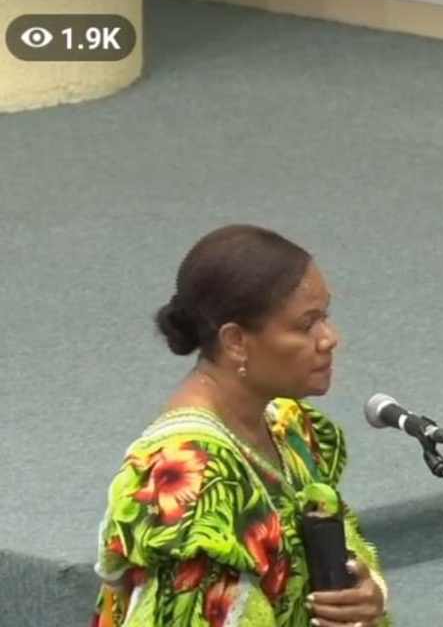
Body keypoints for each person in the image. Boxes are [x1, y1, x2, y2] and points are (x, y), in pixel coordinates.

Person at [92, 225, 391, 627]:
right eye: (306, 325)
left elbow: (342, 552)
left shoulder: (287, 427)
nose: (329, 338)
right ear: (235, 341)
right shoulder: (192, 480)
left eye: (326, 317)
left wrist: (366, 592)